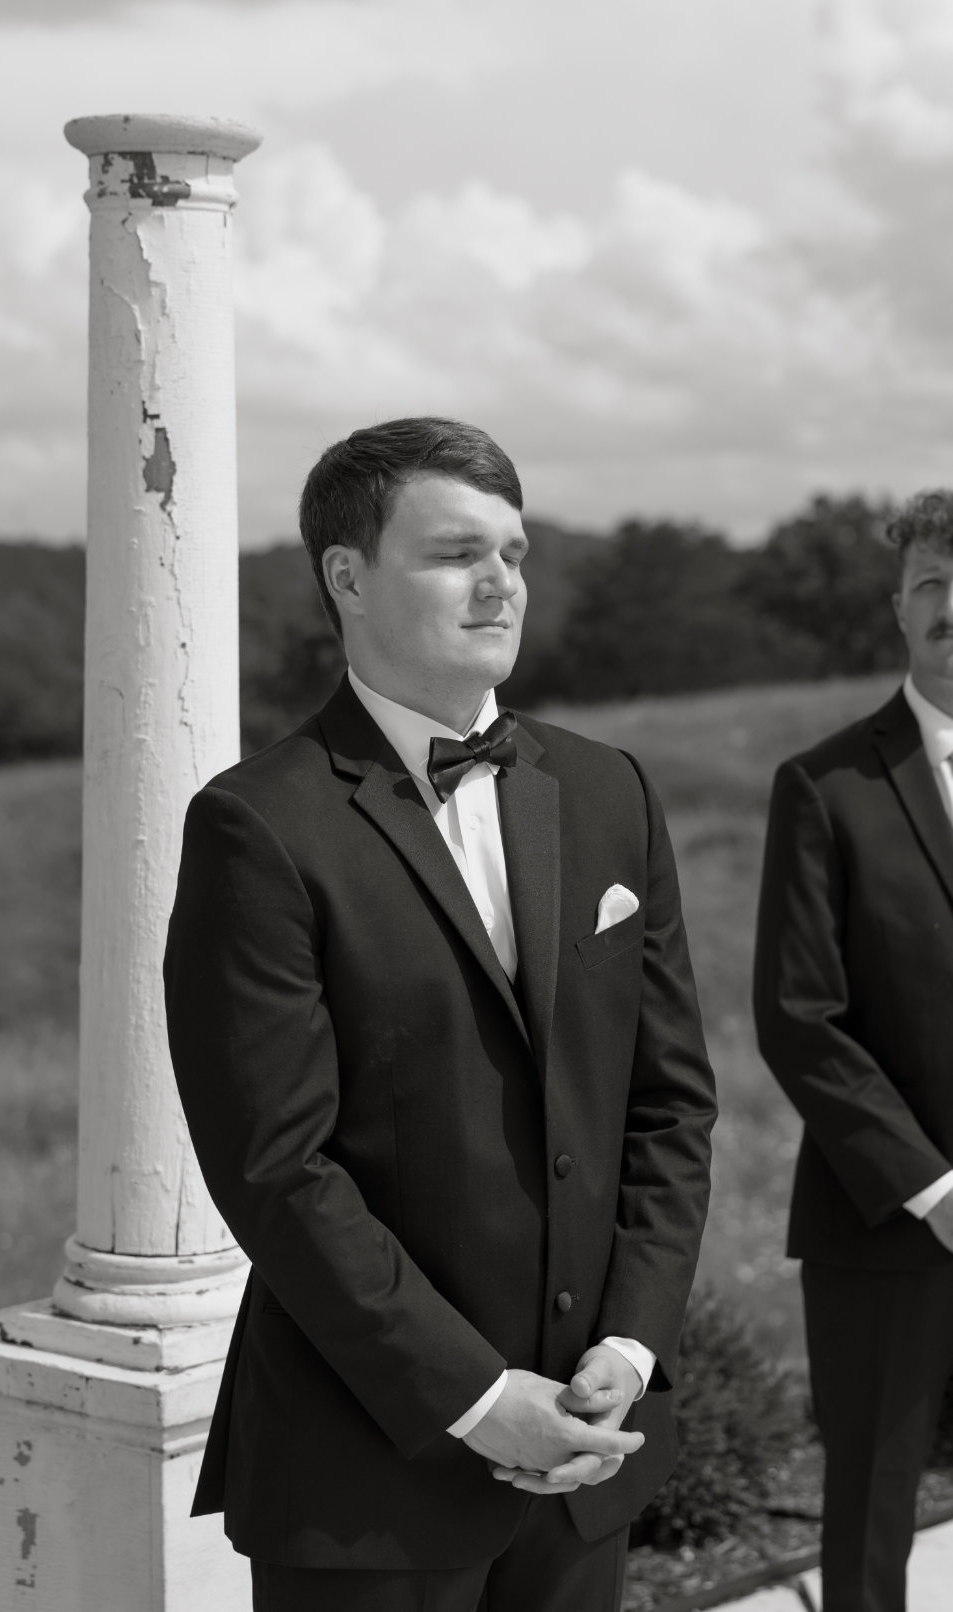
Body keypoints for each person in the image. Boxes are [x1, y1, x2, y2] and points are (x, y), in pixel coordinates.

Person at [164, 417, 716, 1611]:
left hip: (589, 1456)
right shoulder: (256, 828)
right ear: (346, 577)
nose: (500, 583)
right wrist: (474, 1397)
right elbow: (275, 1165)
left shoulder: (608, 789)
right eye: (457, 553)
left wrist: (628, 1346)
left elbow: (668, 1104)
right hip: (371, 1473)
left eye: (513, 553)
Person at [753, 488, 953, 1612]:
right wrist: (933, 1190)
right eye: (930, 581)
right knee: (872, 1504)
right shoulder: (823, 787)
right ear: (895, 606)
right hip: (884, 1219)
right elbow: (797, 1016)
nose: (951, 605)